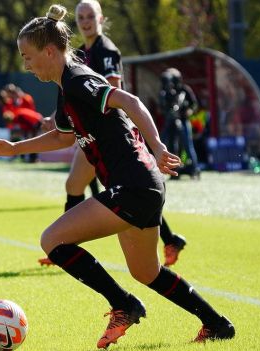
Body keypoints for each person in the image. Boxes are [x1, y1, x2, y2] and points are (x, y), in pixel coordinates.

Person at [0, 5, 234, 349]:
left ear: (50, 51)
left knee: (53, 240)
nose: (26, 65)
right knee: (146, 272)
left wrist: (158, 146)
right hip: (144, 187)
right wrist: (14, 147)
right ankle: (217, 324)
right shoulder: (64, 87)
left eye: (28, 57)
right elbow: (61, 136)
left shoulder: (77, 80)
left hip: (132, 185)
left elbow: (130, 101)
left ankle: (124, 305)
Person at [37, 0, 187, 268]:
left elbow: (112, 89)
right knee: (88, 186)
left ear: (101, 19)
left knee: (105, 188)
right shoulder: (81, 52)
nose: (85, 21)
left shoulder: (106, 50)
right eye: (80, 16)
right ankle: (170, 237)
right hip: (92, 129)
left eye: (90, 16)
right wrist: (56, 119)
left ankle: (62, 244)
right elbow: (71, 95)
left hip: (108, 131)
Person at [159, 68, 200, 179]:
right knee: (172, 146)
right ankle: (175, 172)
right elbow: (163, 107)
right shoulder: (166, 91)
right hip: (171, 122)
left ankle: (195, 170)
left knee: (187, 146)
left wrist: (188, 111)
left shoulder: (184, 89)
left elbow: (194, 104)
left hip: (183, 121)